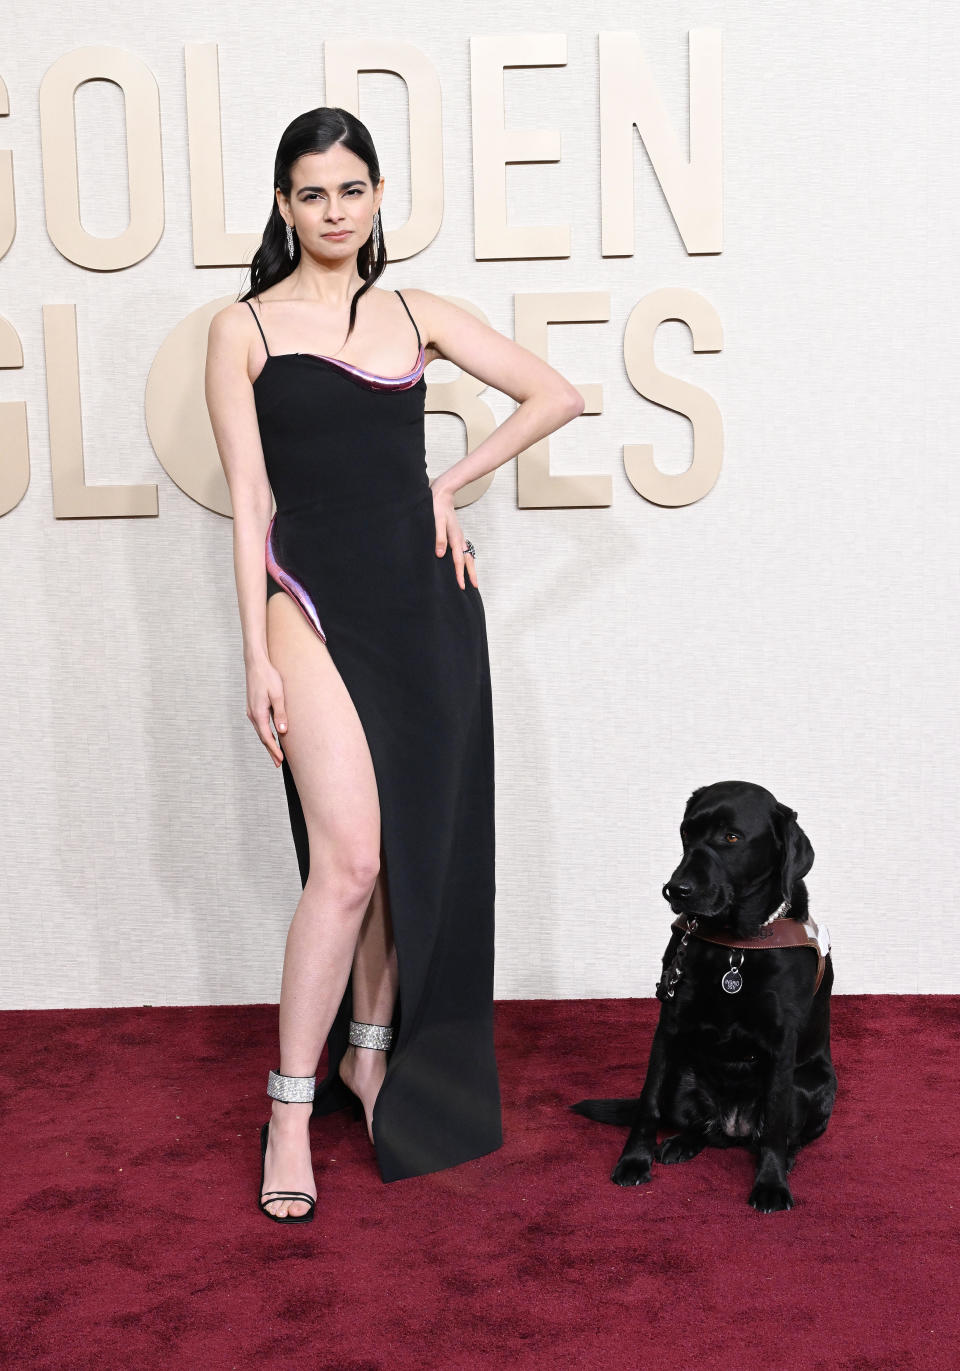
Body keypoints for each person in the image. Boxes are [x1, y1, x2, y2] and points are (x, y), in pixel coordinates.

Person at [204, 107, 584, 1223]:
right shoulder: (242, 329)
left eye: (352, 190)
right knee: (353, 861)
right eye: (312, 193)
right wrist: (252, 653)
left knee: (409, 855)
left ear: (377, 200)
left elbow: (556, 392)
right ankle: (288, 1107)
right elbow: (248, 510)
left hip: (424, 610)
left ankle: (370, 1060)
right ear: (284, 204)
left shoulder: (413, 311)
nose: (333, 211)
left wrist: (447, 482)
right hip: (308, 603)